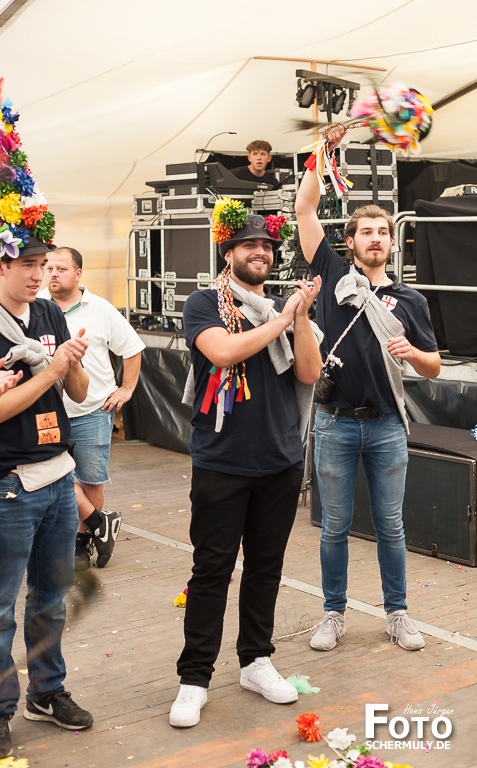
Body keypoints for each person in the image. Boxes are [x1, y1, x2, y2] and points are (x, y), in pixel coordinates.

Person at [169, 210, 322, 728]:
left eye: (267, 245)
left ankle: (256, 661)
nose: (261, 251)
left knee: (265, 567)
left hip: (280, 461)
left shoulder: (281, 307)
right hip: (223, 462)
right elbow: (223, 351)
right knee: (211, 571)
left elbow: (309, 372)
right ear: (227, 252)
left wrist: (300, 317)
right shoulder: (205, 304)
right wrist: (282, 318)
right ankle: (195, 679)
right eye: (249, 244)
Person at [294, 125, 441, 653]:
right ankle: (333, 614)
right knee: (334, 527)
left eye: (383, 232)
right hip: (334, 422)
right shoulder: (333, 274)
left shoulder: (411, 300)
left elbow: (434, 368)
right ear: (351, 242)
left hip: (386, 426)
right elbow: (305, 209)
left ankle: (397, 614)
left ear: (392, 243)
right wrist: (323, 153)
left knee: (391, 526)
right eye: (366, 232)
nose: (376, 238)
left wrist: (414, 353)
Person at [0, 237, 93, 760]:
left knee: (52, 598)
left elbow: (78, 393)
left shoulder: (47, 312)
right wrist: (53, 370)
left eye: (43, 264)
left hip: (59, 476)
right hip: (6, 484)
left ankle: (46, 692)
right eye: (27, 265)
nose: (39, 275)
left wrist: (72, 362)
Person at [39, 247, 146, 569]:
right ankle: (102, 524)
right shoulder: (36, 307)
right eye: (49, 268)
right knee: (48, 474)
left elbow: (132, 348)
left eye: (61, 269)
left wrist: (126, 389)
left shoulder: (100, 309)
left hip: (92, 410)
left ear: (78, 274)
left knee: (90, 480)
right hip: (47, 412)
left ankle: (81, 542)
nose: (53, 274)